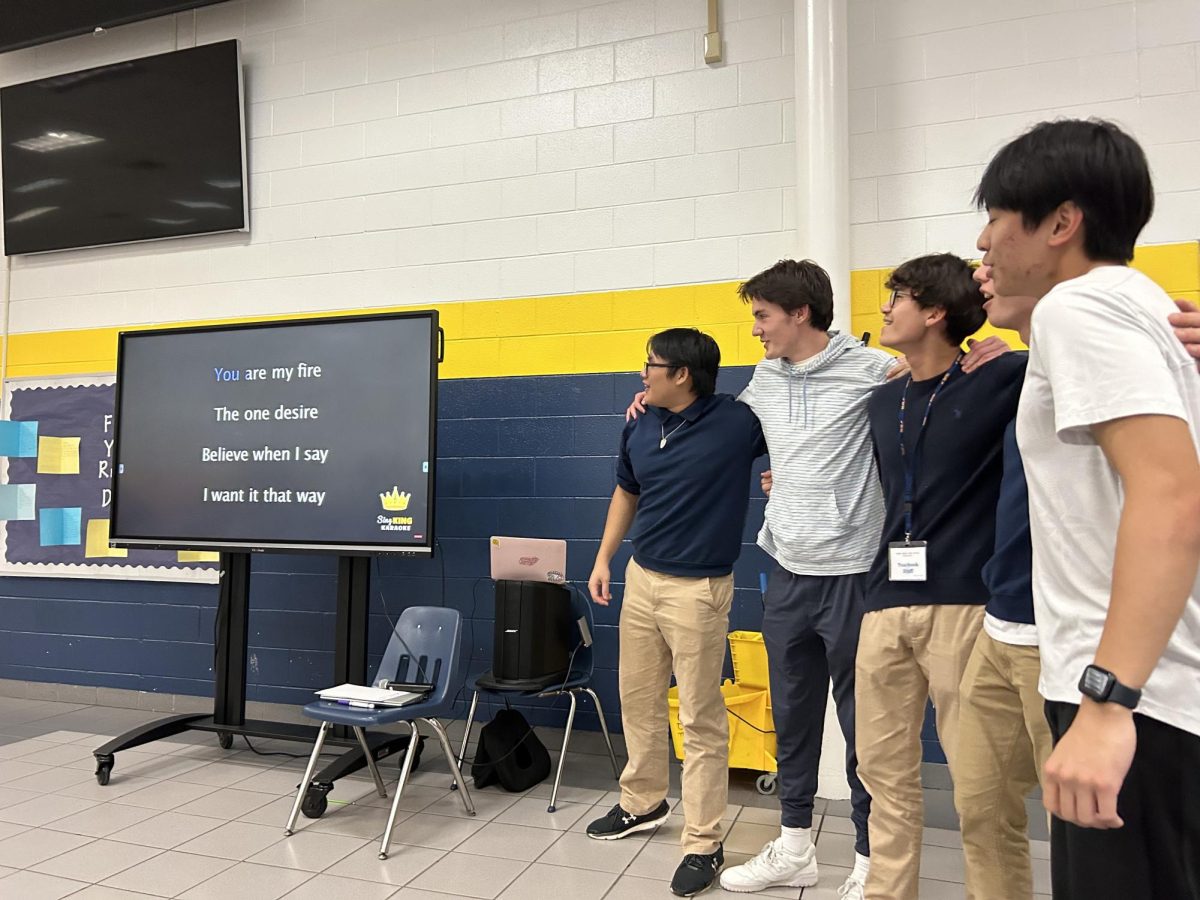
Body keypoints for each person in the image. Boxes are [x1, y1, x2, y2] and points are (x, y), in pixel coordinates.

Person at [623, 260, 1008, 898]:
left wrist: (981, 349)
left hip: (857, 576)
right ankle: (795, 845)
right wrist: (654, 399)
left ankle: (867, 858)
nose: (756, 331)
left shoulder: (871, 368)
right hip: (788, 572)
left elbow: (937, 377)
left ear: (799, 313)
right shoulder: (764, 382)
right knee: (793, 718)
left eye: (763, 317)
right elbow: (717, 425)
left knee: (867, 731)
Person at [976, 118, 1200, 900]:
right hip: (1159, 692)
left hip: (1139, 697)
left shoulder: (1081, 309)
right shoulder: (1146, 311)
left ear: (1062, 223)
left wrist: (1108, 703)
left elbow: (1172, 495)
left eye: (998, 221)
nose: (985, 241)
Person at [854, 253, 1027, 900]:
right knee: (883, 774)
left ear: (934, 312)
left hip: (967, 604)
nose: (883, 308)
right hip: (882, 603)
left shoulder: (1002, 375)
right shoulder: (883, 397)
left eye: (895, 296)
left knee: (980, 786)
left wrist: (991, 338)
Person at [585, 327, 766, 897]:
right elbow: (626, 491)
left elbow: (804, 427)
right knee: (637, 698)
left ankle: (704, 841)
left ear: (682, 374)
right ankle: (642, 802)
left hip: (700, 590)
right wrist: (604, 558)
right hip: (643, 579)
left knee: (699, 715)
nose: (642, 373)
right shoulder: (639, 422)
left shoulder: (738, 422)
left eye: (650, 365)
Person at [953, 264, 1050, 900]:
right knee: (981, 813)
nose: (981, 268)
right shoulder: (1026, 366)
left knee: (1095, 830)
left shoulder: (1130, 347)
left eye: (994, 246)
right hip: (1001, 622)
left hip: (1067, 637)